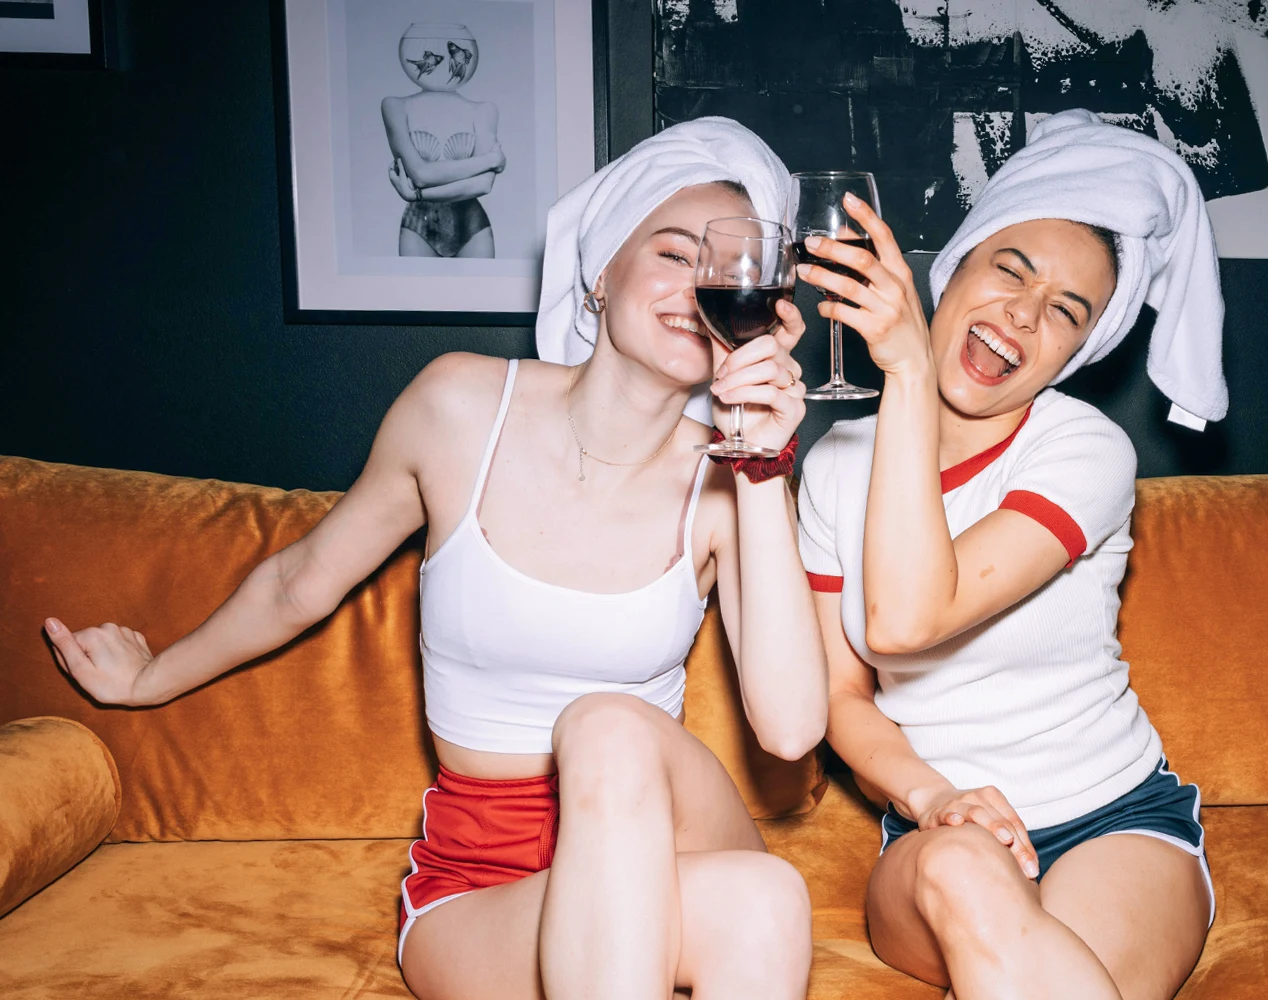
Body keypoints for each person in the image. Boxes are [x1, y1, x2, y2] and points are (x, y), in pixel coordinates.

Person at [43, 118, 828, 1000]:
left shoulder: (728, 480)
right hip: (479, 882)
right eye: (673, 254)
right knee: (765, 898)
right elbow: (301, 582)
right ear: (602, 271)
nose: (697, 290)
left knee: (608, 728)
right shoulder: (460, 407)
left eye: (725, 273)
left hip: (670, 827)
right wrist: (151, 679)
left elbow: (793, 732)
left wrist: (760, 460)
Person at [794, 109, 1228, 1000]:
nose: (1022, 317)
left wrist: (909, 371)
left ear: (1078, 351)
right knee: (963, 875)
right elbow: (841, 694)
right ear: (954, 266)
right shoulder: (835, 466)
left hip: (1117, 822)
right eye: (1010, 270)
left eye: (1065, 312)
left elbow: (911, 617)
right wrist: (931, 799)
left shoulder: (1086, 451)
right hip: (934, 836)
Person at [383, 22, 505, 258]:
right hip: (419, 227)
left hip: (471, 226)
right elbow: (419, 174)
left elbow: (483, 185)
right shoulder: (395, 106)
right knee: (416, 295)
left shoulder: (484, 110)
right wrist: (490, 159)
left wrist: (417, 194)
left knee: (480, 295)